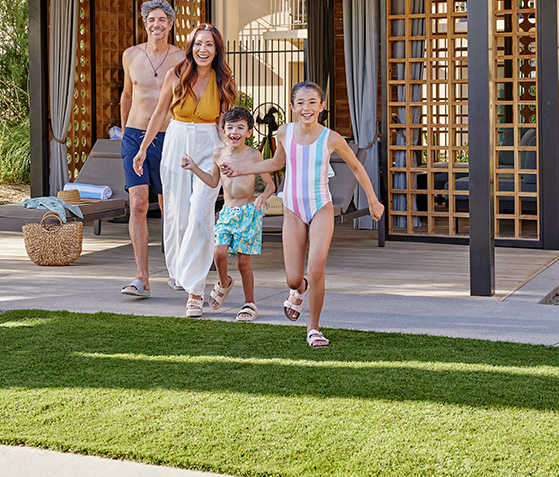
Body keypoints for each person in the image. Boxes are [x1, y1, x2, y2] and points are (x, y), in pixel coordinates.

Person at [221, 81, 384, 347]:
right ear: (292, 107)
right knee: (293, 278)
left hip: (321, 207)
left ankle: (314, 327)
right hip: (293, 210)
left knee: (316, 268)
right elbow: (276, 163)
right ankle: (299, 288)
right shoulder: (284, 132)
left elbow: (356, 167)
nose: (306, 108)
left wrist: (374, 201)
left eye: (312, 102)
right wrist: (241, 170)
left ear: (321, 107)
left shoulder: (331, 138)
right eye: (300, 103)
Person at [134, 23, 236, 317]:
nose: (203, 50)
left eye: (209, 45)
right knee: (177, 215)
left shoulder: (223, 80)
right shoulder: (176, 75)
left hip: (209, 144)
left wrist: (232, 154)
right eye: (198, 44)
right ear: (190, 47)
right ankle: (187, 273)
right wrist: (143, 149)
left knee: (200, 214)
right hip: (177, 141)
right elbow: (159, 114)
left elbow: (224, 124)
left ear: (217, 50)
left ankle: (195, 290)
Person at [180, 106, 275, 322]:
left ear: (249, 132)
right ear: (223, 131)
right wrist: (194, 167)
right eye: (230, 127)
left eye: (240, 127)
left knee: (243, 263)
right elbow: (214, 182)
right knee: (219, 252)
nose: (235, 131)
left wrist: (262, 197)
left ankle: (249, 303)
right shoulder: (218, 154)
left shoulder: (254, 155)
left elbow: (270, 185)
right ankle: (224, 283)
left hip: (248, 213)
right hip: (227, 213)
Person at [119, 0, 184, 299]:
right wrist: (124, 135)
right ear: (144, 23)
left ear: (170, 24)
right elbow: (127, 96)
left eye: (162, 20)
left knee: (171, 208)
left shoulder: (183, 58)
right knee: (139, 205)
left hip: (169, 138)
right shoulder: (131, 55)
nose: (156, 25)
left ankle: (177, 272)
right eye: (150, 20)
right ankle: (142, 278)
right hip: (134, 136)